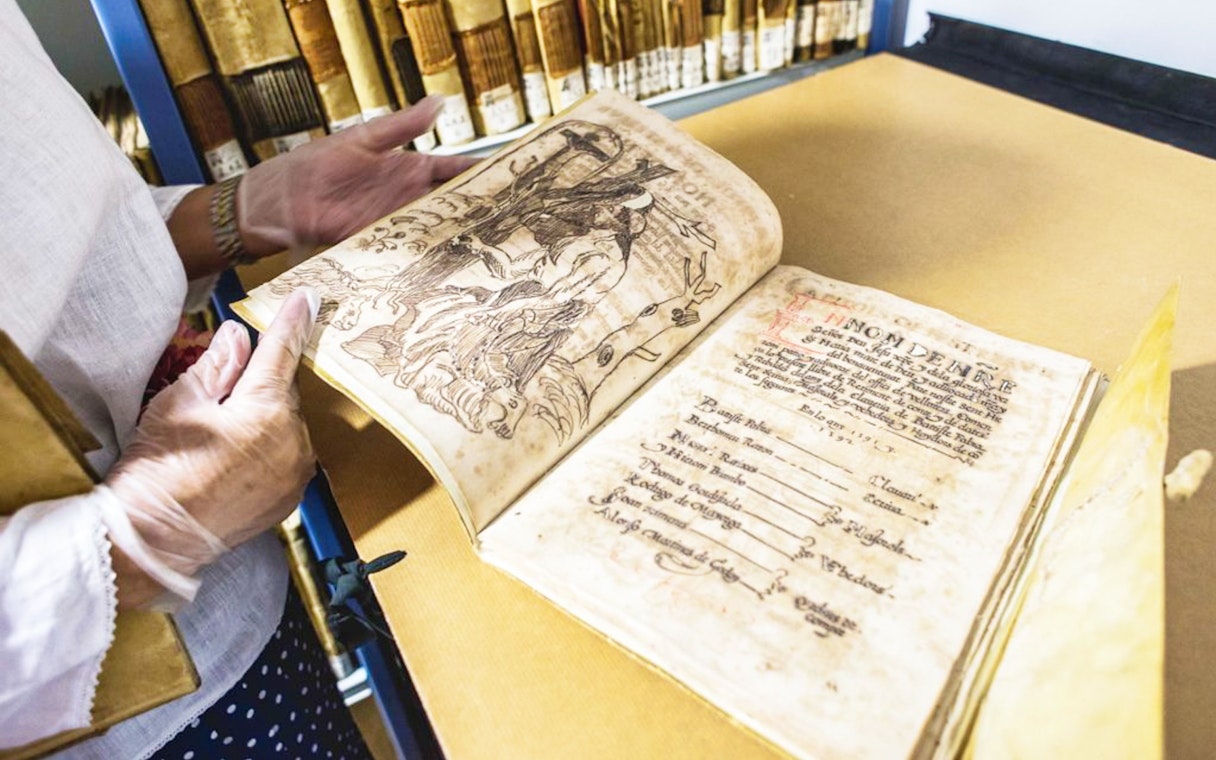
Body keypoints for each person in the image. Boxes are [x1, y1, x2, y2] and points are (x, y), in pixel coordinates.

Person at [0, 2, 476, 756]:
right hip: (118, 720)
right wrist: (141, 536)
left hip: (237, 589)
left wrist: (243, 211)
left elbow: (51, 255)